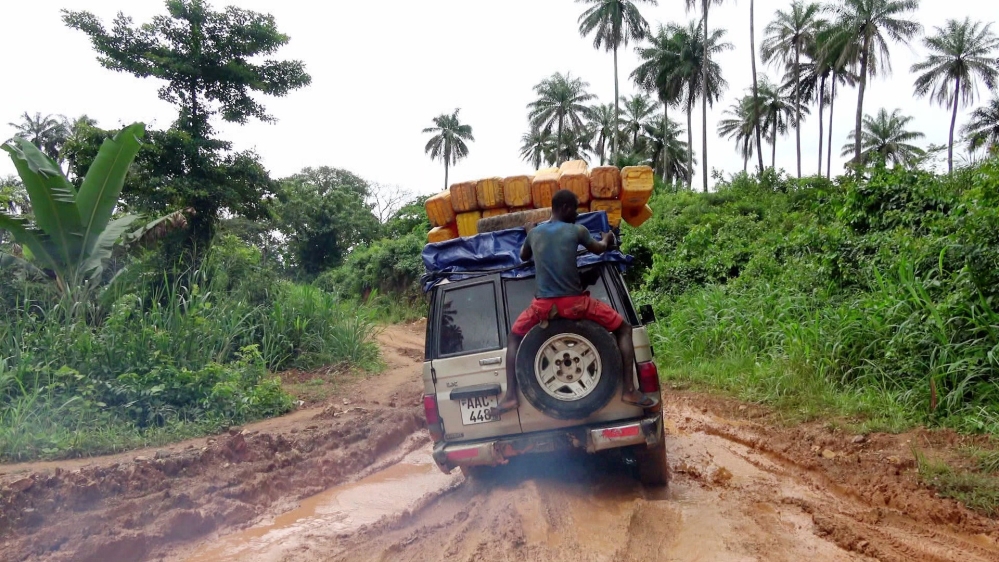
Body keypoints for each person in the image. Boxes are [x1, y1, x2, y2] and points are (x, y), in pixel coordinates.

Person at [491, 189, 658, 417]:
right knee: (623, 328)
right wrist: (607, 238)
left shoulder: (535, 233)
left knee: (514, 337)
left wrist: (530, 231)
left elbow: (523, 256)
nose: (577, 214)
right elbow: (599, 249)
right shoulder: (576, 230)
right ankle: (629, 390)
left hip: (543, 307)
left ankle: (510, 396)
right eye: (575, 209)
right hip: (574, 304)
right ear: (566, 208)